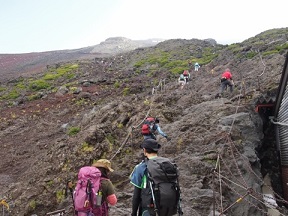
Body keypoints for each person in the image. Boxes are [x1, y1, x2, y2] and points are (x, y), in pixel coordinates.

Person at [130, 139, 161, 216]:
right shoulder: (166, 164)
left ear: (144, 150)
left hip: (149, 209)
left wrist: (134, 213)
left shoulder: (141, 167)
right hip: (167, 208)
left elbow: (136, 195)